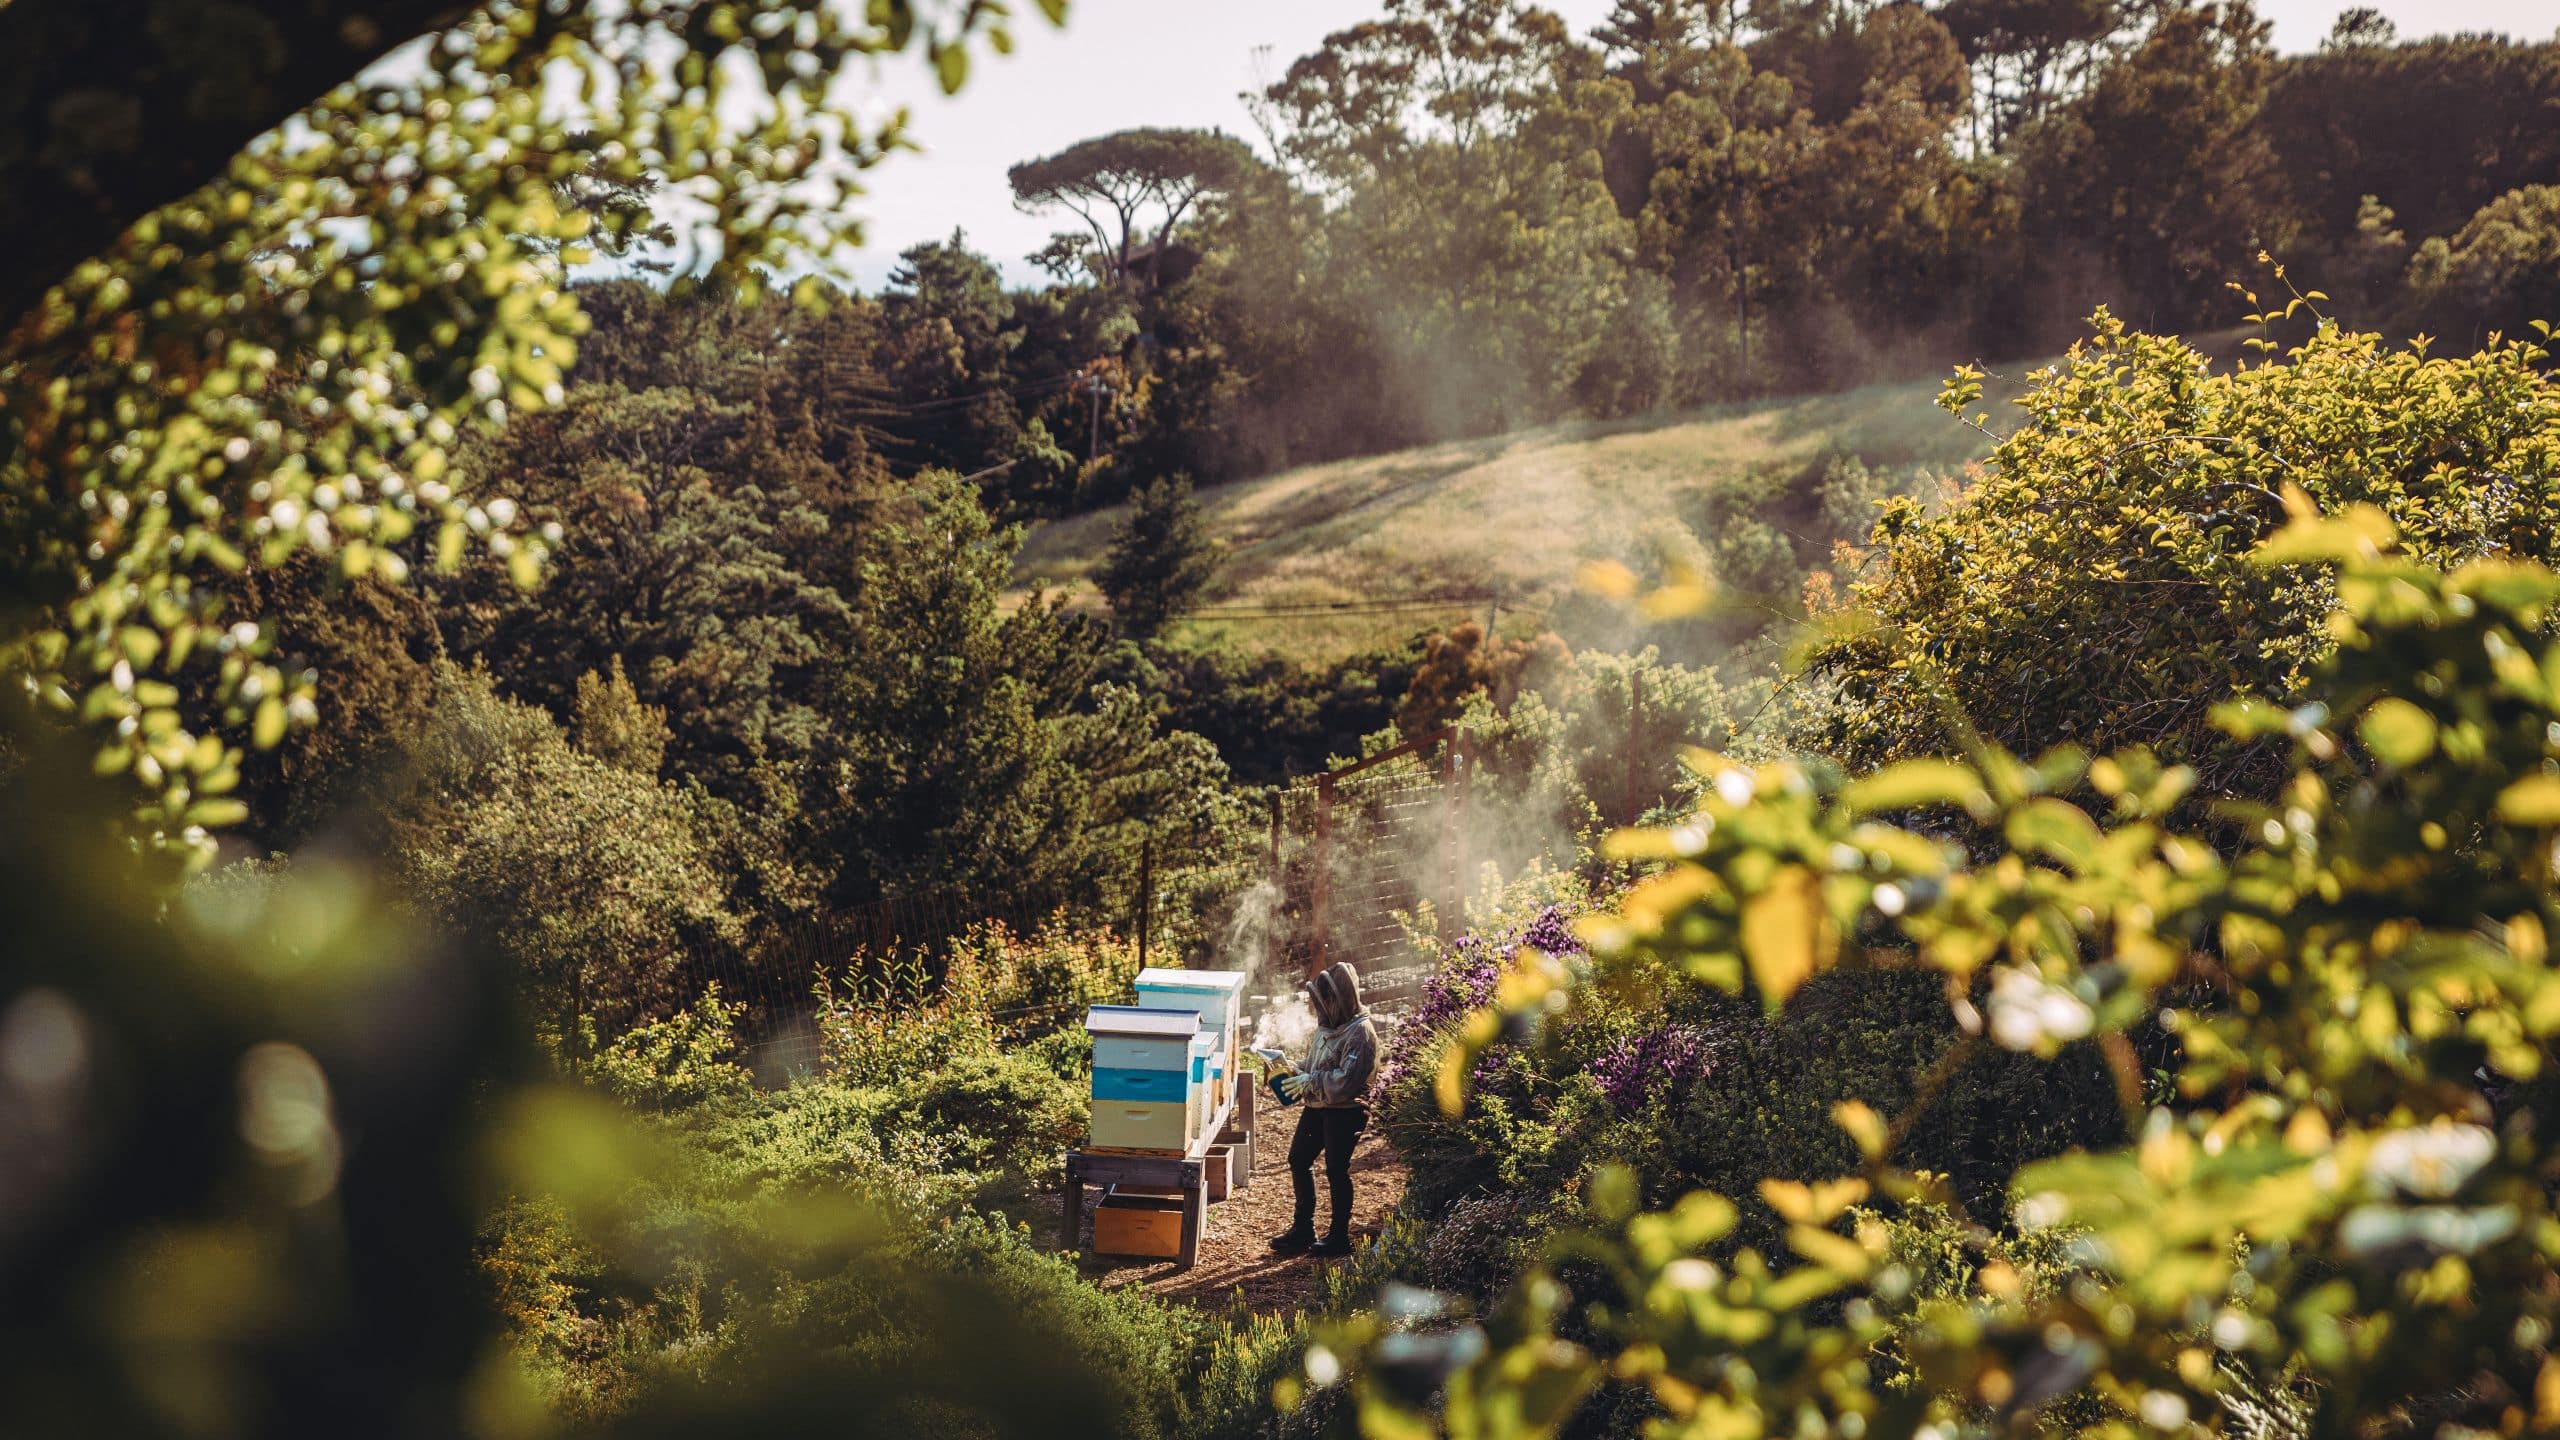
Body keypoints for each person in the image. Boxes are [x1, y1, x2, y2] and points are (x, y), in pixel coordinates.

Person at [1269, 961, 1378, 1258]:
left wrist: (1311, 1080)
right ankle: (1303, 1229)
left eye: (1328, 999)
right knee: (1299, 1158)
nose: (1324, 1006)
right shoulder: (1325, 1029)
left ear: (1343, 998)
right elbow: (1315, 1064)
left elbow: (1346, 1081)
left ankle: (1339, 1237)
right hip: (1319, 1105)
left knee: (1336, 1169)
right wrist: (1294, 1069)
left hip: (1346, 1110)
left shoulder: (1361, 1033)